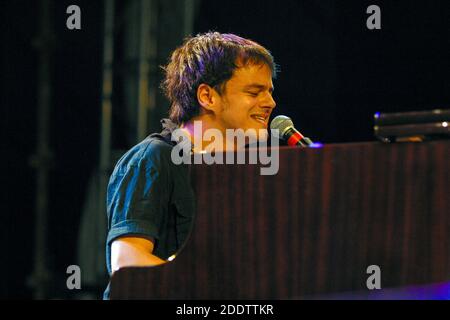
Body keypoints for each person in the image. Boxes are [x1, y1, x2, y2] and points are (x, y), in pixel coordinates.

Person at [103, 31, 277, 299]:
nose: (270, 102)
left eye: (269, 91)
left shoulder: (248, 169)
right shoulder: (153, 159)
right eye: (254, 92)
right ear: (207, 96)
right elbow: (128, 264)